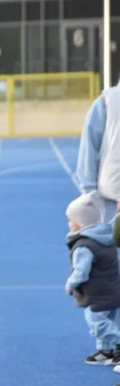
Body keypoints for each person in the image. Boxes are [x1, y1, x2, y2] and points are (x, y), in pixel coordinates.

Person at [65, 192, 120, 369]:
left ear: (79, 223)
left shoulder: (84, 246)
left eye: (70, 220)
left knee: (97, 322)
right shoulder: (106, 236)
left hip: (96, 292)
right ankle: (105, 351)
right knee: (111, 318)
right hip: (113, 288)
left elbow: (81, 272)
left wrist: (70, 285)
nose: (68, 223)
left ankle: (117, 343)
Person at [76, 83, 120, 222]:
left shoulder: (106, 101)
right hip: (110, 203)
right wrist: (89, 196)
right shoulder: (106, 102)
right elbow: (89, 149)